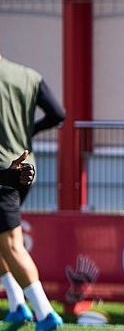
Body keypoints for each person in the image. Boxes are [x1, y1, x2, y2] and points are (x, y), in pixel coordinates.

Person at [0, 49, 66, 331]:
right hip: (25, 166)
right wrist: (30, 131)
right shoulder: (28, 76)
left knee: (12, 244)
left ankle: (44, 312)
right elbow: (58, 114)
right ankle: (17, 305)